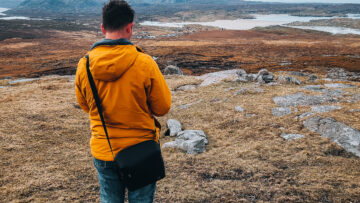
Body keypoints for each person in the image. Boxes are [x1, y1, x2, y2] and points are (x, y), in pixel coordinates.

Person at [75, 0, 171, 202]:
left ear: (102, 28)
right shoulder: (144, 62)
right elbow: (162, 107)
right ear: (130, 27)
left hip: (104, 149)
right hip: (141, 150)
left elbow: (85, 105)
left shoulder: (84, 65)